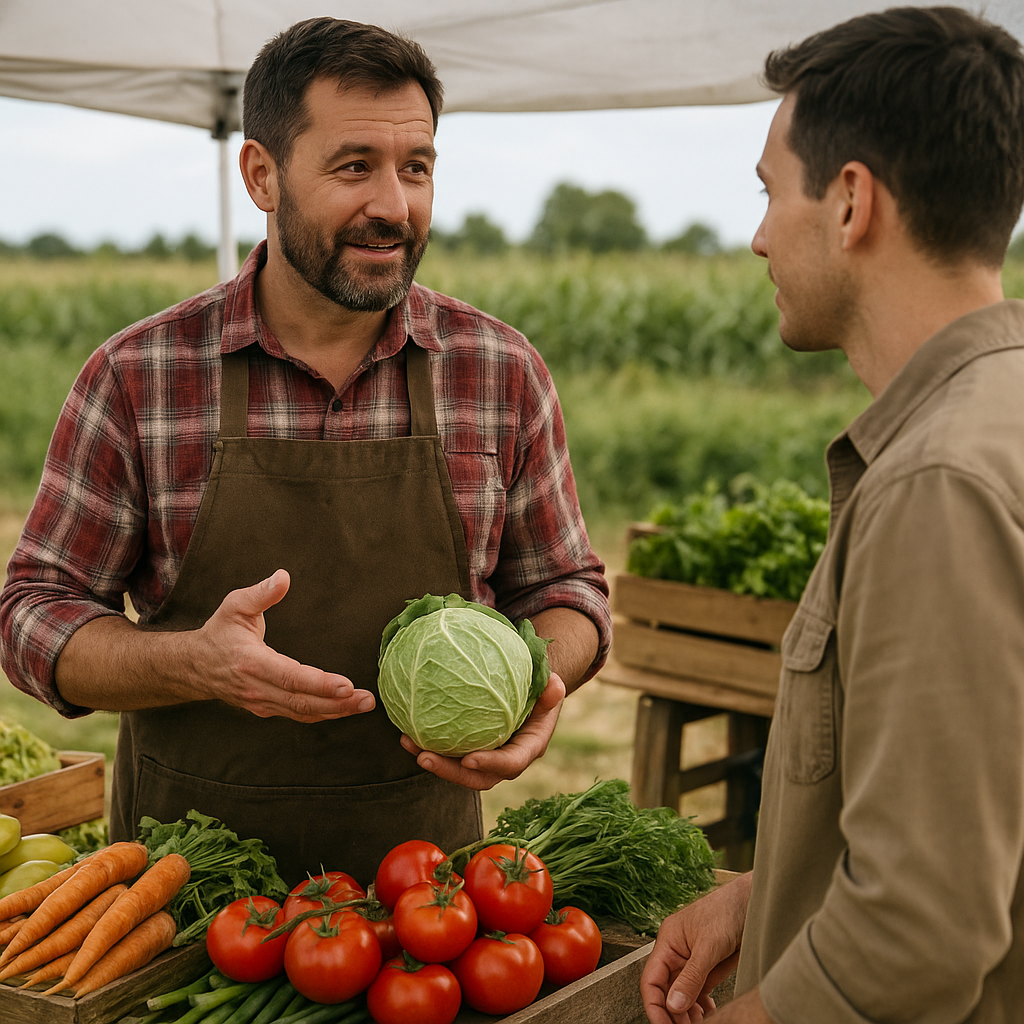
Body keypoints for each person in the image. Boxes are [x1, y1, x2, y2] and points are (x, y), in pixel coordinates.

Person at [0, 17, 610, 887]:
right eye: (354, 165)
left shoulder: (500, 372)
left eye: (417, 168)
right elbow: (33, 612)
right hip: (182, 898)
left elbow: (567, 589)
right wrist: (193, 663)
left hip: (427, 904)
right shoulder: (142, 376)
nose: (394, 207)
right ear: (262, 174)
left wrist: (533, 684)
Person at [641, 6, 1024, 1023]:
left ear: (851, 200)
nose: (760, 237)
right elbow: (982, 812)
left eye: (770, 194)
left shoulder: (938, 483)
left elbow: (917, 934)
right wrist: (776, 896)